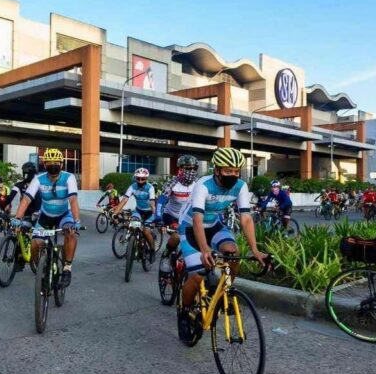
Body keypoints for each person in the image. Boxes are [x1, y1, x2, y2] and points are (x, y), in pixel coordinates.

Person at [176, 147, 266, 343]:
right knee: (198, 274)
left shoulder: (240, 186)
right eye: (228, 171)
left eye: (236, 171)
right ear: (216, 170)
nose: (233, 175)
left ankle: (227, 291)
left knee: (233, 254)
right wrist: (205, 249)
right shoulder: (203, 185)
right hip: (191, 227)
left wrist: (255, 249)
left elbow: (246, 219)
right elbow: (198, 219)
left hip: (214, 225)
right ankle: (184, 313)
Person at [12, 148, 81, 288]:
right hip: (45, 217)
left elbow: (73, 199)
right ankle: (41, 268)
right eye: (50, 162)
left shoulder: (69, 177)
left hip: (63, 216)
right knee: (35, 244)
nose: (53, 164)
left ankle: (67, 268)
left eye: (56, 162)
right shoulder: (39, 179)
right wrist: (17, 218)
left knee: (71, 234)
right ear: (45, 164)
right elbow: (26, 199)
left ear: (61, 164)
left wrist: (76, 220)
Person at [156, 155, 197, 275]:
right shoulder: (173, 183)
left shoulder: (198, 183)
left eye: (194, 168)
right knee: (176, 237)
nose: (191, 171)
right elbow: (161, 201)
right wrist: (158, 218)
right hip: (171, 216)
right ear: (180, 169)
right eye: (188, 168)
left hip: (188, 217)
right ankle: (166, 256)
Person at [114, 167, 157, 250]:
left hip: (150, 213)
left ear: (146, 178)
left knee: (146, 231)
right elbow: (124, 200)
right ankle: (134, 243)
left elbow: (152, 203)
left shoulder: (150, 187)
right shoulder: (132, 187)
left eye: (143, 179)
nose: (140, 181)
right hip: (139, 211)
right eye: (138, 178)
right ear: (135, 178)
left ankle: (152, 250)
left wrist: (156, 216)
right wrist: (115, 213)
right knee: (133, 225)